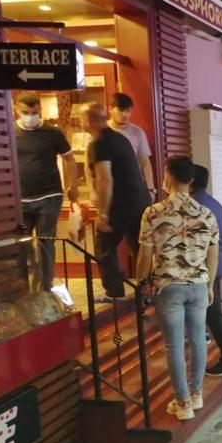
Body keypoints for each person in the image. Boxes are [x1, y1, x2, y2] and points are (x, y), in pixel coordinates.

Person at [136, 156, 219, 420]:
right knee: (198, 340)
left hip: (168, 286)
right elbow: (213, 254)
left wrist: (140, 283)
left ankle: (182, 403)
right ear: (191, 179)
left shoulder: (154, 212)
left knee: (173, 345)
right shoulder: (206, 214)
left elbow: (145, 255)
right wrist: (210, 285)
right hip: (199, 285)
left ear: (167, 177)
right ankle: (196, 394)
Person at [82, 103, 150, 300]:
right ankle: (146, 291)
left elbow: (105, 179)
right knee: (140, 246)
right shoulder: (120, 138)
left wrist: (103, 213)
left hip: (121, 202)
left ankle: (114, 292)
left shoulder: (99, 143)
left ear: (87, 121)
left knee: (104, 247)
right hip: (140, 199)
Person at [14, 93, 80, 290]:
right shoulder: (10, 132)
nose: (30, 116)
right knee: (21, 244)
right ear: (17, 110)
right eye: (25, 112)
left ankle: (45, 285)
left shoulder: (52, 132)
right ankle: (24, 285)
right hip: (19, 198)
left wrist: (73, 186)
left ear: (40, 110)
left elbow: (69, 158)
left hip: (49, 195)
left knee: (46, 241)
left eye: (34, 112)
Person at [190, 165, 222, 377]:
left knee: (213, 313)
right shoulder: (214, 204)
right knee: (211, 312)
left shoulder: (195, 206)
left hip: (204, 266)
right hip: (216, 263)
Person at [107, 93, 156, 197]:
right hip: (108, 188)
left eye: (128, 111)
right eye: (121, 110)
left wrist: (151, 189)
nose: (125, 114)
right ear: (110, 109)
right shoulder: (102, 131)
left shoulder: (137, 132)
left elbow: (145, 162)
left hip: (133, 187)